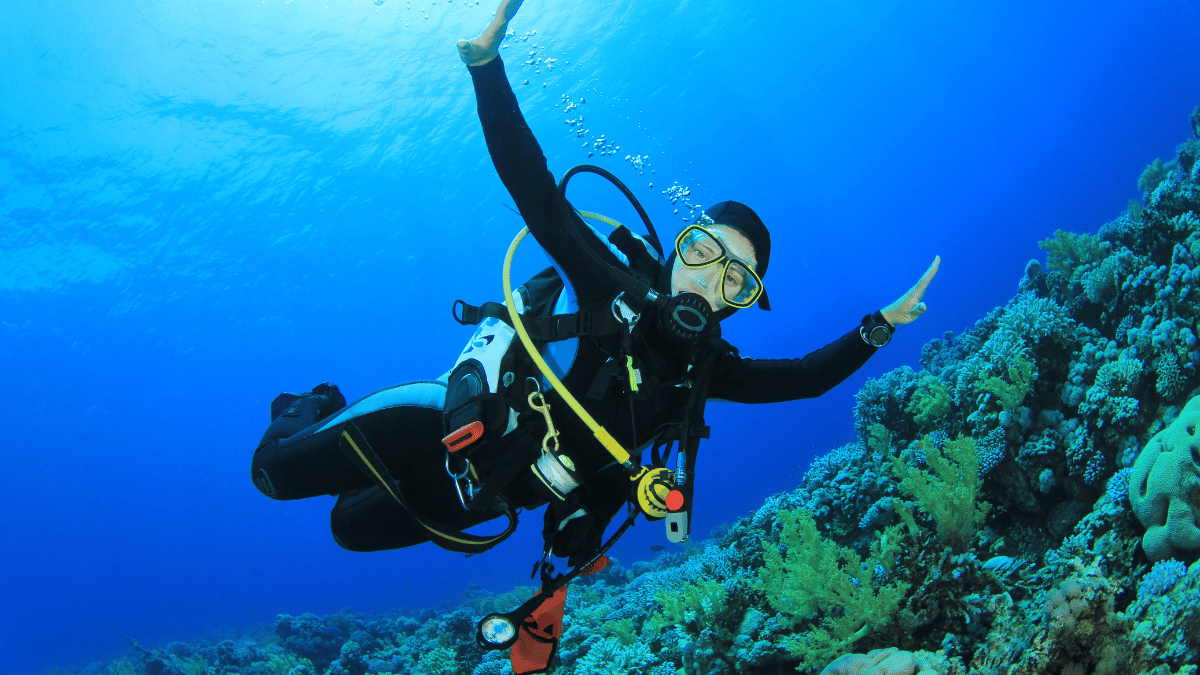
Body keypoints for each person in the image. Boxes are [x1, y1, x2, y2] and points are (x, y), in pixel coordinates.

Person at [250, 0, 938, 664]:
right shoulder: (609, 283)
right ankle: (311, 405)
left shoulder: (705, 371)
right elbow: (533, 187)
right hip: (440, 424)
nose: (708, 281)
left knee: (348, 529)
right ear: (679, 247)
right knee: (272, 475)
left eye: (736, 280)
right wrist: (487, 68)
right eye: (703, 252)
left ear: (742, 301)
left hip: (484, 493)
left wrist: (880, 325)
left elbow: (806, 380)